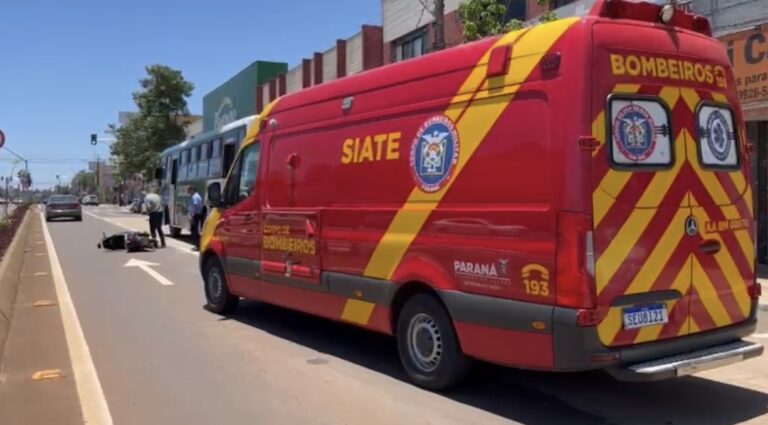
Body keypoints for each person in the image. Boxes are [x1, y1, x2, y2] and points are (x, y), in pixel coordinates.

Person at [187, 185, 204, 251]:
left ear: (192, 190)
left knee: (194, 230)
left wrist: (191, 216)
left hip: (195, 215)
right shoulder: (198, 196)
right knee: (195, 230)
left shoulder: (194, 197)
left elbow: (194, 206)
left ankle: (197, 245)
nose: (188, 192)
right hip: (198, 214)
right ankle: (198, 245)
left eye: (189, 191)